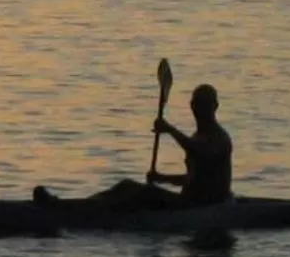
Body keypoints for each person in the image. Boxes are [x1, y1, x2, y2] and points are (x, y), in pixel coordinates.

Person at [34, 83, 234, 210]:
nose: (199, 108)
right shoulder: (197, 136)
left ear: (215, 106)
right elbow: (194, 179)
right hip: (189, 201)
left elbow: (200, 153)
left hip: (204, 206)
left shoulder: (220, 138)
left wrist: (169, 129)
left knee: (145, 193)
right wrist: (161, 178)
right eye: (196, 103)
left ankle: (71, 210)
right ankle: (72, 205)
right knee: (127, 185)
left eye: (204, 104)